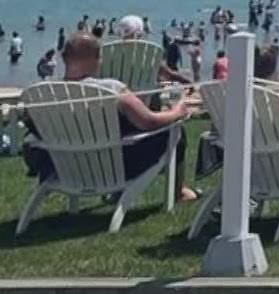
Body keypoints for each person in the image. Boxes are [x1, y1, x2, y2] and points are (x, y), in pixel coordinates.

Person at [24, 33, 198, 203]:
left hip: (65, 169)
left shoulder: (41, 94)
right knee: (177, 131)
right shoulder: (110, 89)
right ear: (97, 58)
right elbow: (149, 122)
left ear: (64, 58)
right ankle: (179, 192)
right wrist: (177, 112)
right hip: (115, 169)